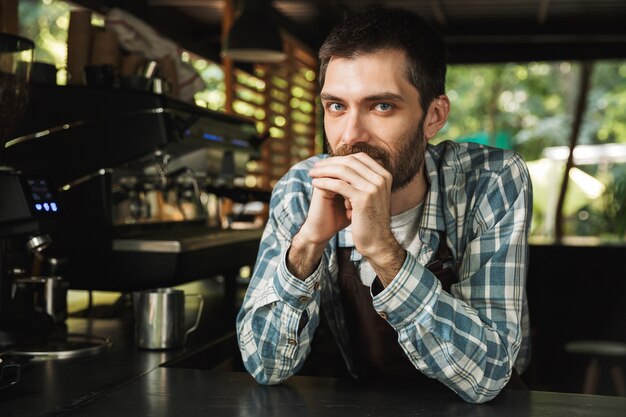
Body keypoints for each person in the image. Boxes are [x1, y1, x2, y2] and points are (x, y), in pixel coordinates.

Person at [236, 6, 532, 404]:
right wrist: (307, 244)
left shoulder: (491, 181)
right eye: (336, 106)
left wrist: (382, 249)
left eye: (382, 106)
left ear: (434, 116)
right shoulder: (300, 189)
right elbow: (265, 367)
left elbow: (487, 377)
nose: (351, 135)